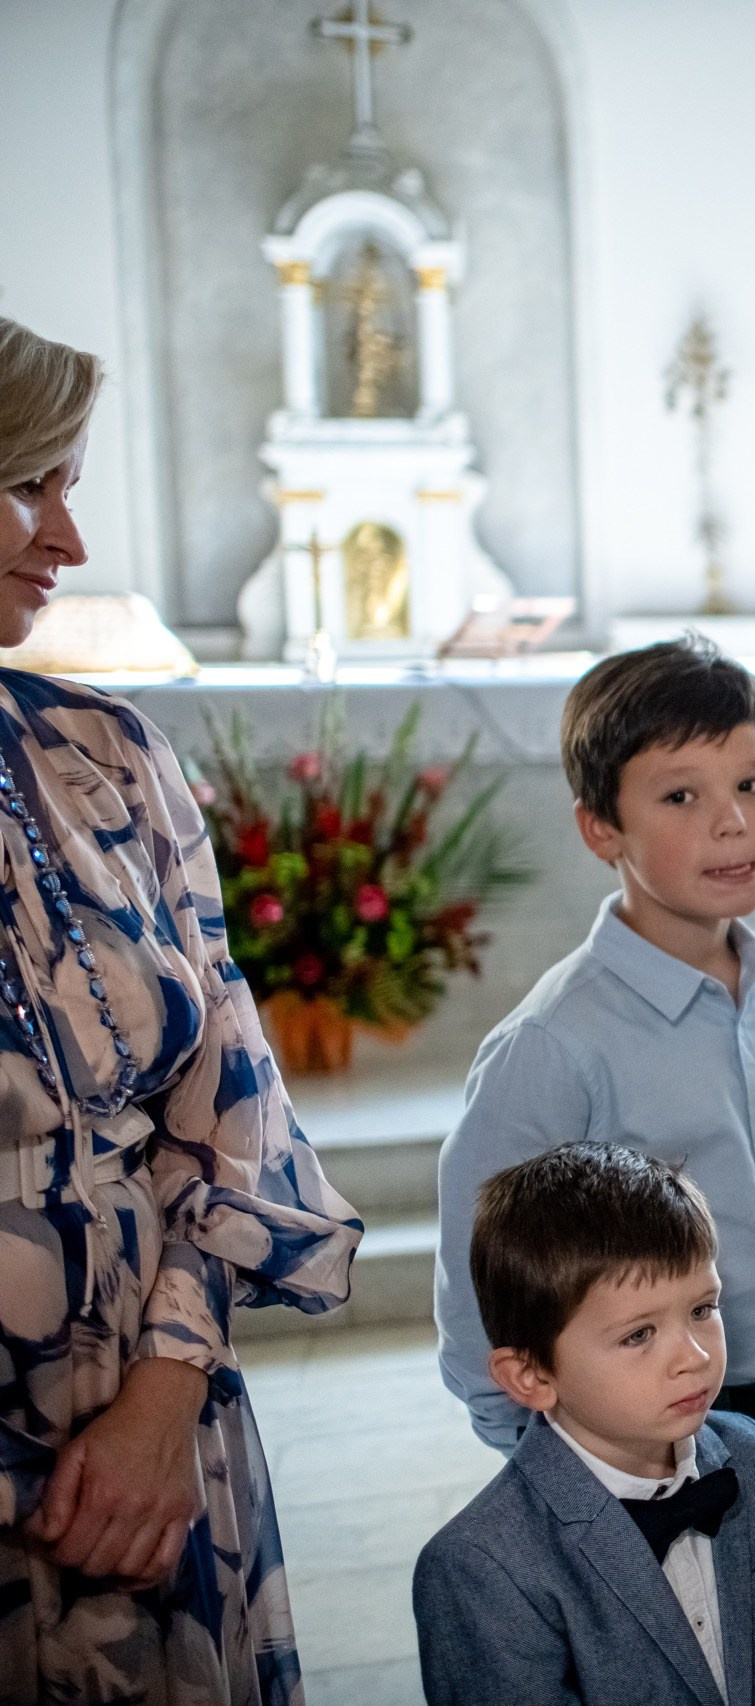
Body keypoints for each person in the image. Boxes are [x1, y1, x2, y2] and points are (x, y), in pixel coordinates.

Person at [0, 314, 363, 1704]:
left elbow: (232, 1095)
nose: (69, 539)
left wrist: (159, 1400)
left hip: (161, 1453)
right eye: (35, 480)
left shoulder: (109, 757)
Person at [434, 638, 755, 1480]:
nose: (731, 820)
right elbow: (482, 1289)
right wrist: (548, 1465)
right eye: (680, 795)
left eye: (752, 784)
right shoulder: (553, 1045)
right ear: (600, 827)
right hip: (644, 1425)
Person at [411, 1142, 755, 1705]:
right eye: (638, 1334)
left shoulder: (750, 1458)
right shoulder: (480, 1571)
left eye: (703, 1309)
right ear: (530, 1376)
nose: (692, 1355)